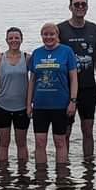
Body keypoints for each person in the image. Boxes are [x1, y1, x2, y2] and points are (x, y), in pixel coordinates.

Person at [57, 0, 96, 160]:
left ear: (87, 7)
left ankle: (89, 169)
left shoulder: (94, 29)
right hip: (66, 88)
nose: (80, 7)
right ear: (70, 7)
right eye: (77, 4)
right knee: (65, 131)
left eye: (83, 4)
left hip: (88, 86)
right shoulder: (60, 29)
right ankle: (64, 166)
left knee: (88, 130)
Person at [27, 23, 78, 166]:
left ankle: (62, 178)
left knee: (60, 141)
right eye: (45, 34)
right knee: (40, 142)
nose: (48, 37)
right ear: (41, 36)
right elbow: (32, 80)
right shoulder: (37, 53)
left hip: (60, 104)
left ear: (57, 35)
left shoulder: (66, 51)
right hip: (40, 105)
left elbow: (74, 78)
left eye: (51, 34)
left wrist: (73, 101)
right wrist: (28, 104)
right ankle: (41, 177)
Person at [0, 27, 31, 162]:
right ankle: (3, 176)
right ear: (6, 40)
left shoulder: (27, 58)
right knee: (3, 143)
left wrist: (30, 104)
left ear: (21, 39)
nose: (14, 40)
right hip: (2, 106)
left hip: (22, 107)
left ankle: (23, 175)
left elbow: (34, 81)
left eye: (16, 38)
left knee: (22, 143)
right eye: (11, 38)